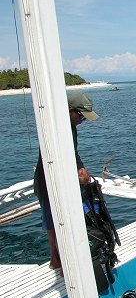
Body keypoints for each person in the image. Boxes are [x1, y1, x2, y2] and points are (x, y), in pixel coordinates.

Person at [34, 92, 99, 271]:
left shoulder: (70, 126)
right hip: (48, 184)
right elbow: (57, 156)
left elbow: (72, 151)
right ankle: (57, 262)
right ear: (71, 111)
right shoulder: (56, 128)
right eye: (82, 117)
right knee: (54, 225)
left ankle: (61, 260)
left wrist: (81, 168)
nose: (82, 121)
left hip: (62, 182)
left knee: (63, 222)